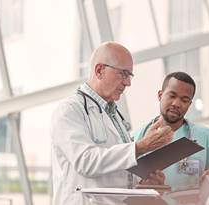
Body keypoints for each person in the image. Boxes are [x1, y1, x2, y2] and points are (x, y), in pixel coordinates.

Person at [51, 42, 173, 205]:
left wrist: (145, 180)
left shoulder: (115, 116)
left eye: (130, 75)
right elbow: (85, 161)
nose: (128, 82)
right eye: (123, 74)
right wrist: (139, 147)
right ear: (99, 70)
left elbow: (118, 170)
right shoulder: (69, 110)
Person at [133, 72, 209, 191]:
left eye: (184, 100)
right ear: (160, 95)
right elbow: (125, 183)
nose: (176, 104)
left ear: (189, 104)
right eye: (172, 96)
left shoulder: (207, 136)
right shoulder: (136, 138)